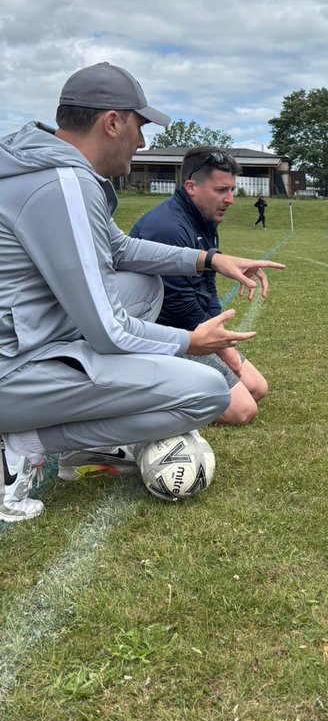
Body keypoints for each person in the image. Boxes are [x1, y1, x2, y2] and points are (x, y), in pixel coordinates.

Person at [0, 62, 283, 521]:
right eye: (139, 125)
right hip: (13, 373)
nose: (143, 141)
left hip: (23, 345)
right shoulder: (64, 183)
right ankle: (25, 444)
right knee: (207, 392)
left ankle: (76, 434)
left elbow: (120, 248)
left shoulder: (46, 169)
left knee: (143, 284)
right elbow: (108, 330)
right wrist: (190, 342)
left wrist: (210, 259)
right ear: (112, 122)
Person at [130, 148, 270, 426]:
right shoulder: (167, 227)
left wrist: (218, 333)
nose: (230, 199)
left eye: (231, 189)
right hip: (158, 338)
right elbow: (178, 303)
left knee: (257, 388)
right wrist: (224, 351)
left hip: (186, 330)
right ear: (191, 187)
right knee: (242, 409)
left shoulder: (203, 219)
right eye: (221, 190)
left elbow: (207, 285)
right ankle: (136, 400)